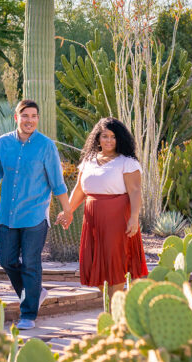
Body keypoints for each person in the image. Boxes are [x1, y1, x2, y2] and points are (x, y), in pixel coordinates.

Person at [0, 99, 70, 330]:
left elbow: (57, 183)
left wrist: (67, 209)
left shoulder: (46, 146)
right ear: (16, 117)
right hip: (8, 215)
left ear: (38, 119)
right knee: (7, 260)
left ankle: (28, 313)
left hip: (35, 215)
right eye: (25, 115)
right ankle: (35, 292)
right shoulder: (3, 143)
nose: (30, 120)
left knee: (30, 263)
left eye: (34, 116)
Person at [56, 117, 147, 298]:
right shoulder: (89, 160)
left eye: (113, 137)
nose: (109, 141)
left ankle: (115, 305)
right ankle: (115, 302)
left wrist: (134, 217)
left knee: (115, 262)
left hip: (117, 216)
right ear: (98, 137)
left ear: (120, 139)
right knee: (91, 263)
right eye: (105, 136)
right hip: (92, 218)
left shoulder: (126, 162)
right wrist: (68, 211)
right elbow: (80, 189)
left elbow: (135, 191)